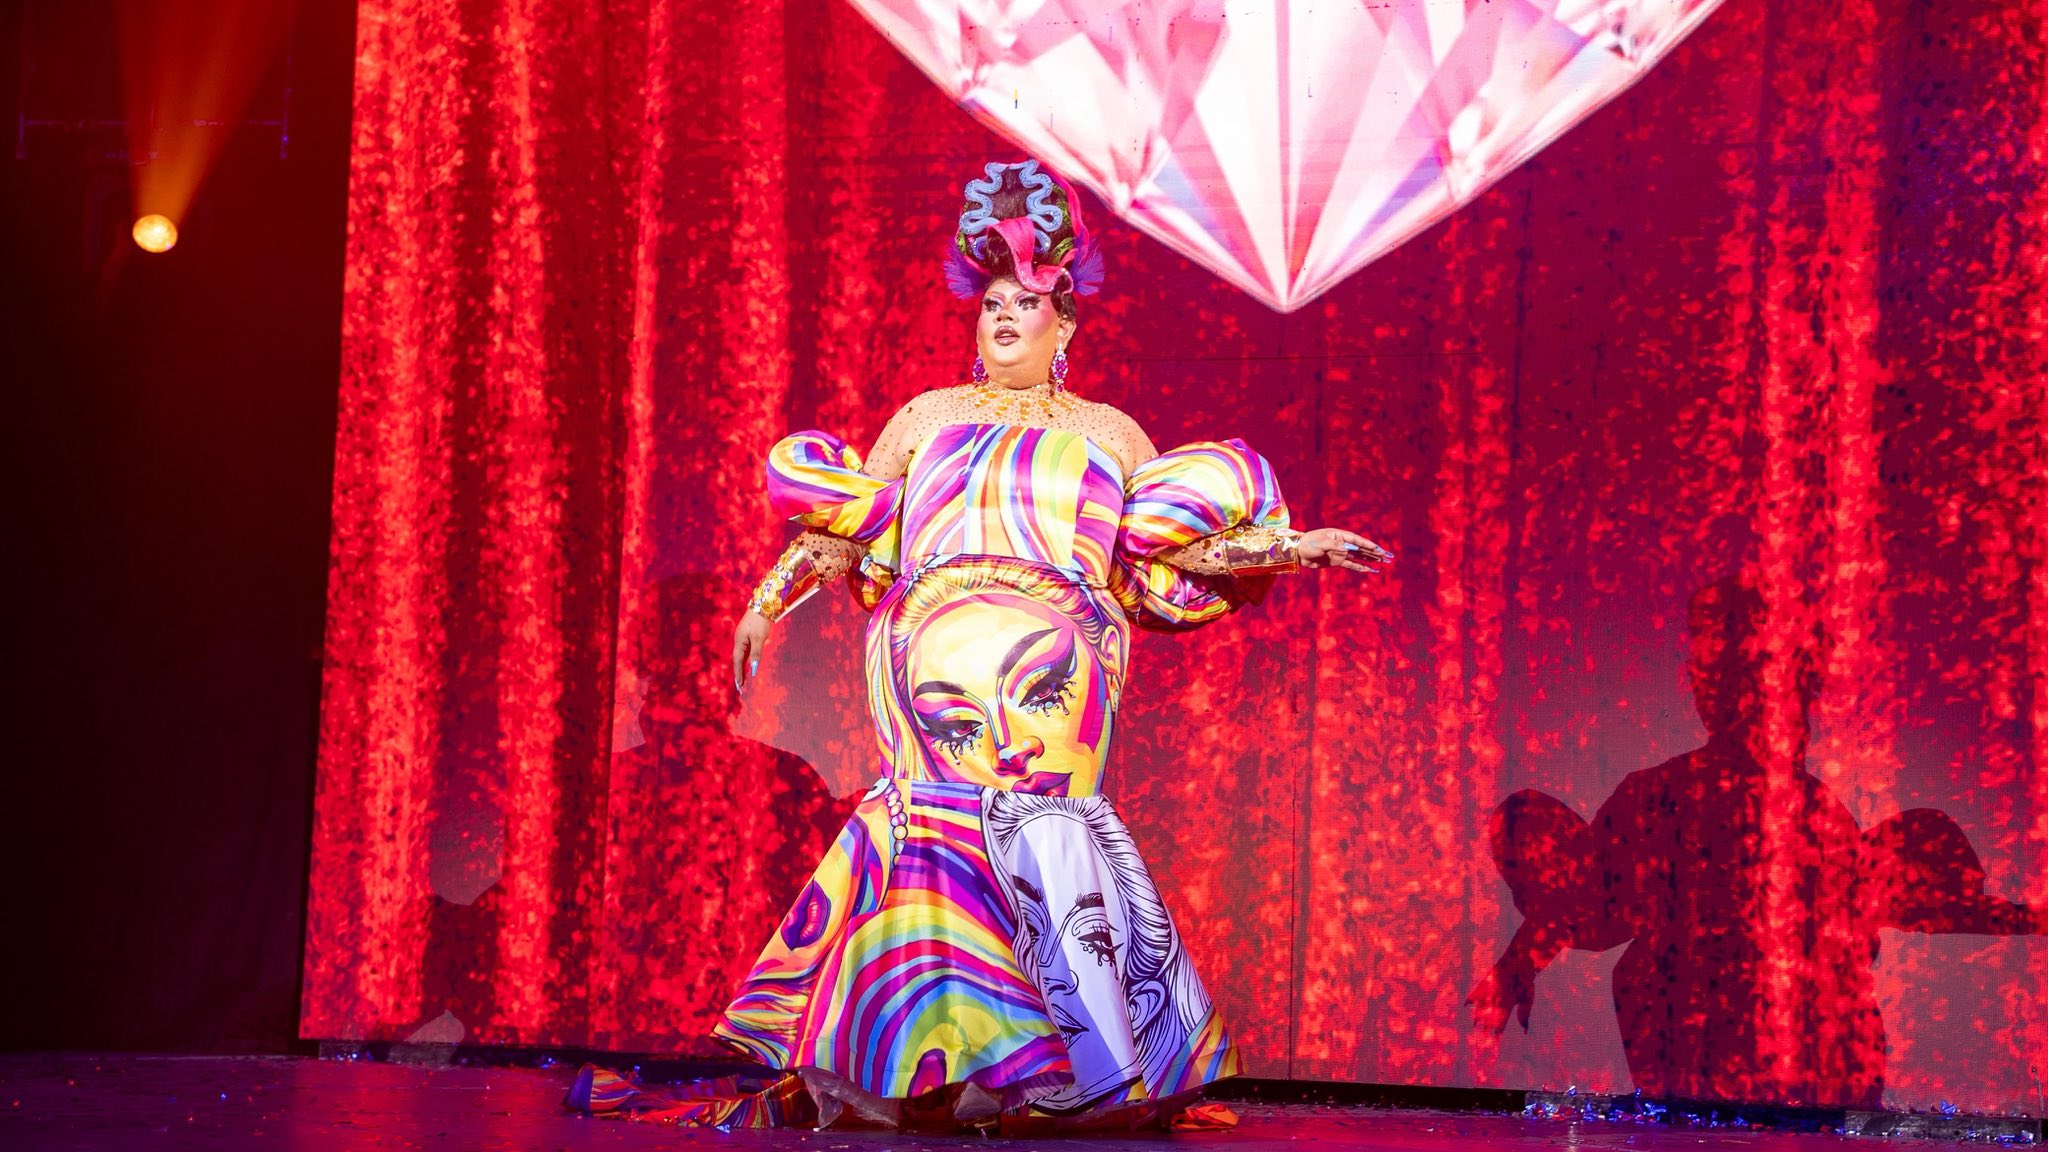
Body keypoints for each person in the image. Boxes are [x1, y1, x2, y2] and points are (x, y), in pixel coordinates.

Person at [571, 158, 1391, 1132]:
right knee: (934, 837)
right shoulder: (927, 417)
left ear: (1064, 325)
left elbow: (1181, 548)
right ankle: (921, 1061)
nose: (1002, 317)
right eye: (991, 304)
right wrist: (767, 600)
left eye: (1025, 303)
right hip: (931, 682)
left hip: (1059, 692)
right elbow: (846, 531)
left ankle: (1057, 1074)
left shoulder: (1110, 434)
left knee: (1045, 837)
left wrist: (1295, 546)